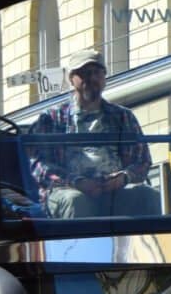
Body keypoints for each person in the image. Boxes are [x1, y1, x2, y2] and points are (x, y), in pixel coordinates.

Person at [28, 49, 158, 218]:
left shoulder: (123, 117)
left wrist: (123, 178)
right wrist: (77, 182)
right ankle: (77, 244)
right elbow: (39, 166)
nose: (92, 78)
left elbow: (143, 161)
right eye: (85, 73)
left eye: (97, 73)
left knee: (148, 196)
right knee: (76, 201)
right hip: (67, 188)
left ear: (104, 78)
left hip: (115, 190)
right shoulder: (51, 119)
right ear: (71, 79)